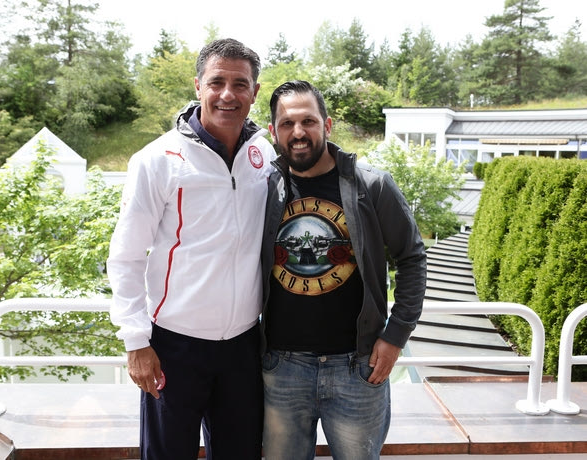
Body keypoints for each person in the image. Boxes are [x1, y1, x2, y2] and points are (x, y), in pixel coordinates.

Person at [107, 38, 275, 460]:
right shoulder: (156, 160)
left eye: (240, 84)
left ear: (255, 92)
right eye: (216, 82)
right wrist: (135, 341)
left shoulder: (264, 153)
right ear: (198, 85)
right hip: (173, 346)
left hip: (244, 344)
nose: (227, 94)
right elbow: (126, 255)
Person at [259, 80, 427, 460]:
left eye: (308, 121)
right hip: (281, 368)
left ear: (327, 125)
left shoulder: (373, 185)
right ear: (273, 131)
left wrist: (396, 335)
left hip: (358, 367)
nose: (298, 132)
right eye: (287, 124)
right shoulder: (264, 189)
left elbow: (412, 257)